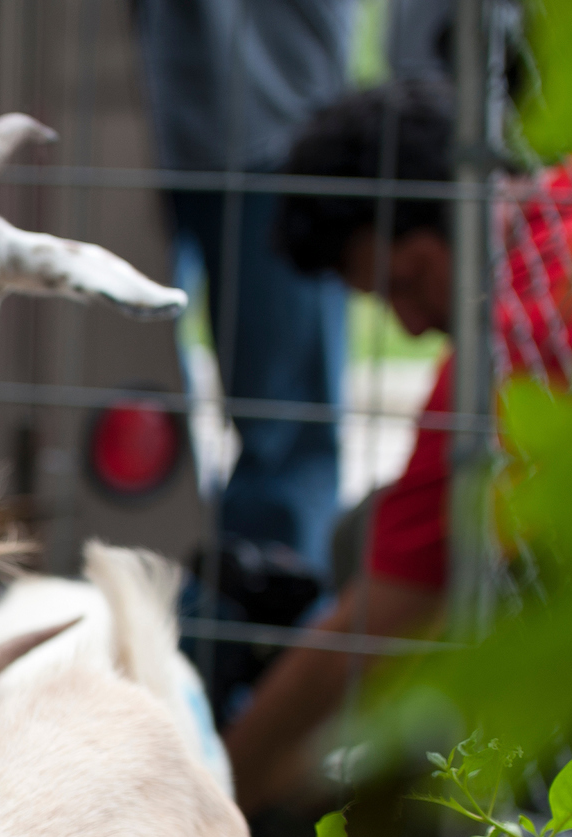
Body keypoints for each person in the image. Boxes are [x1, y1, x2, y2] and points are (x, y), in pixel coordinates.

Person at [221, 82, 572, 813]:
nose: (412, 325)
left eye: (406, 283)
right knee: (375, 531)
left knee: (440, 619)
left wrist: (219, 792)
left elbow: (373, 624)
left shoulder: (503, 348)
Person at [137, 0, 356, 586]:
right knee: (118, 396)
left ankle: (262, 633)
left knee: (285, 423)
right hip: (117, 117)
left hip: (278, 114)